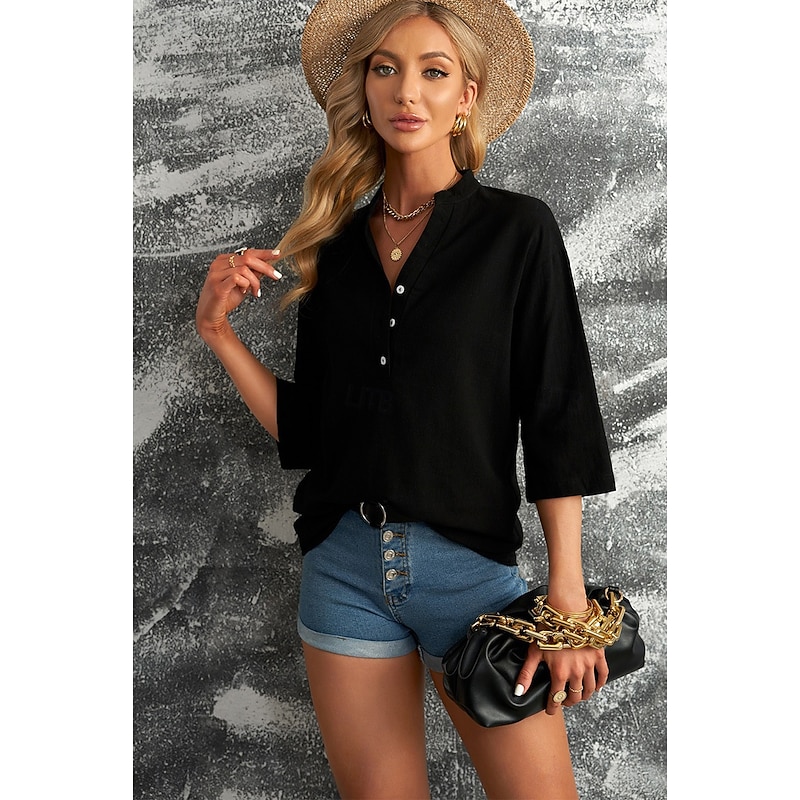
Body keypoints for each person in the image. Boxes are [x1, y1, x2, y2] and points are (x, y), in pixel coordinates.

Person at [195, 1, 616, 797]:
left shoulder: (518, 232)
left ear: (466, 96)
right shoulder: (333, 249)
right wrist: (217, 331)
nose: (406, 91)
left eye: (433, 71)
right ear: (364, 89)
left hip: (474, 580)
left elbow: (558, 414)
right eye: (385, 69)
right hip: (344, 573)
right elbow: (312, 435)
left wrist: (567, 595)